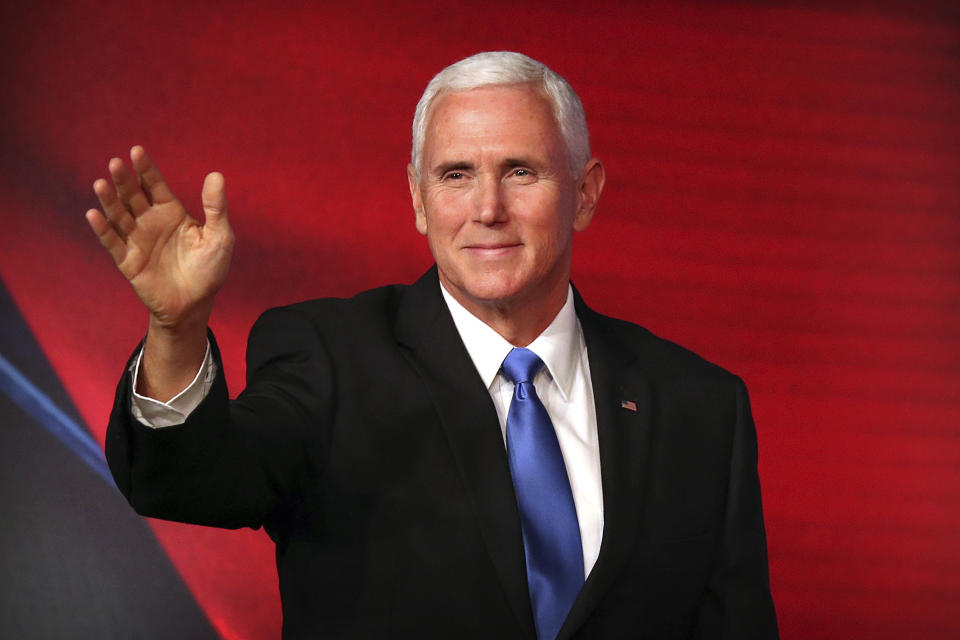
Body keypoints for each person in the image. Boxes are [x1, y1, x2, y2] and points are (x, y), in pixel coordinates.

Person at [87, 52, 778, 639]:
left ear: (585, 193)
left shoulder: (700, 406)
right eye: (455, 175)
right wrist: (175, 330)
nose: (486, 209)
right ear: (418, 200)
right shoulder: (328, 356)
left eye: (520, 171)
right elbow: (194, 482)